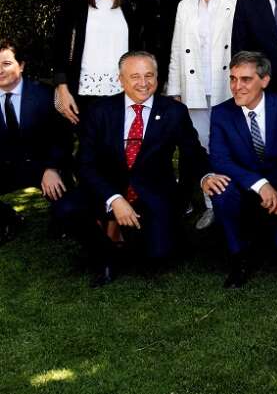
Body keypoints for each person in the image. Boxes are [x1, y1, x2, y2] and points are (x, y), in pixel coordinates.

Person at [55, 51, 208, 287]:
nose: (143, 83)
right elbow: (84, 163)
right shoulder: (99, 110)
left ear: (158, 78)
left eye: (149, 76)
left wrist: (207, 176)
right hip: (108, 189)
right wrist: (114, 198)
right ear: (121, 79)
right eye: (135, 76)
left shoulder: (173, 111)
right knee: (66, 207)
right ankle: (105, 254)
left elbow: (194, 153)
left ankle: (134, 235)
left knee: (157, 256)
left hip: (152, 193)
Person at [201, 51, 277, 288]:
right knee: (220, 188)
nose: (237, 86)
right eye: (233, 79)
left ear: (265, 80)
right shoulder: (221, 113)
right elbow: (220, 160)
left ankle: (266, 232)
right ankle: (238, 258)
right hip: (243, 190)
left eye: (245, 79)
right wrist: (260, 184)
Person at [166, 0, 243, 229]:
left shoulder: (238, 1)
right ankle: (212, 206)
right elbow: (176, 49)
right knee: (201, 147)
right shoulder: (185, 5)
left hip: (227, 87)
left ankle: (234, 202)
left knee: (230, 146)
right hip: (195, 87)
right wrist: (174, 88)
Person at [53, 0, 139, 126]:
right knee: (87, 151)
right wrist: (62, 88)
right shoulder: (73, 7)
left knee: (118, 151)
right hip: (83, 95)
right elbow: (58, 49)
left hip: (123, 94)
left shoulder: (131, 7)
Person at [0, 40, 72, 243]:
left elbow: (64, 138)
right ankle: (8, 218)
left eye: (6, 64)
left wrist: (52, 168)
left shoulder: (46, 94)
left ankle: (61, 218)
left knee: (67, 212)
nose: (0, 71)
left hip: (44, 165)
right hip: (6, 166)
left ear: (21, 65)